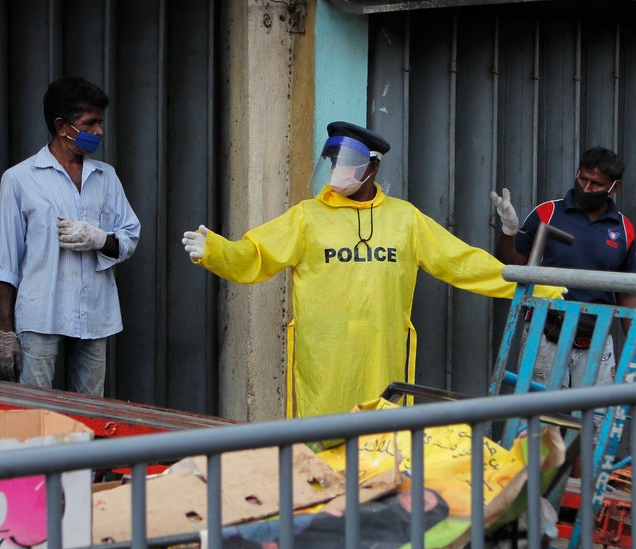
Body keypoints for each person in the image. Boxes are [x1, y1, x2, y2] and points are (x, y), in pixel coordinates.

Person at [182, 120, 563, 420]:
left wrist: (539, 285)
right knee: (322, 444)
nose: (337, 171)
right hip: (324, 361)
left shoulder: (405, 219)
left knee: (380, 444)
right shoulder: (307, 217)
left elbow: (463, 264)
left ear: (373, 167)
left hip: (383, 356)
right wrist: (215, 250)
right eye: (334, 162)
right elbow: (256, 254)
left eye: (346, 163)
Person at [0, 77, 141, 397]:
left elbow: (130, 236)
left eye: (100, 122)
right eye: (90, 123)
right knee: (35, 412)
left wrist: (100, 238)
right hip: (40, 314)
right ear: (62, 126)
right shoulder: (19, 179)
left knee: (90, 414)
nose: (99, 131)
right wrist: (5, 330)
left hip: (94, 313)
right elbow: (6, 261)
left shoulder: (105, 177)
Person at [491, 146, 636, 390]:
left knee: (596, 420)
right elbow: (514, 266)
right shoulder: (547, 213)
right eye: (582, 179)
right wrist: (508, 231)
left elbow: (628, 292)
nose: (586, 188)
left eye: (596, 184)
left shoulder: (623, 229)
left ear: (615, 187)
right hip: (546, 334)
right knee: (541, 419)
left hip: (597, 339)